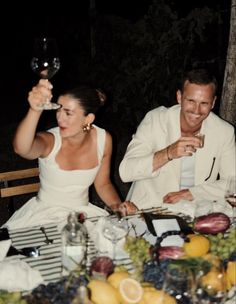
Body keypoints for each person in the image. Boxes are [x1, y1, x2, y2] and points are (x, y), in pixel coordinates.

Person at [4, 79, 137, 230]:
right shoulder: (51, 140)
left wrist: (117, 206)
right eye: (58, 110)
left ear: (88, 119)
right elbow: (21, 148)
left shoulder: (104, 139)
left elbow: (103, 183)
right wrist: (35, 110)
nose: (60, 118)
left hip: (82, 215)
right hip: (44, 216)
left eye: (68, 113)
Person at [119, 68, 236, 213]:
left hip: (197, 212)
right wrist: (168, 153)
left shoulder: (224, 131)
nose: (197, 110)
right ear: (179, 97)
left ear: (213, 103)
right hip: (149, 210)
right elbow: (126, 172)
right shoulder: (156, 120)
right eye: (191, 101)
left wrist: (192, 193)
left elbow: (233, 182)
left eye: (204, 103)